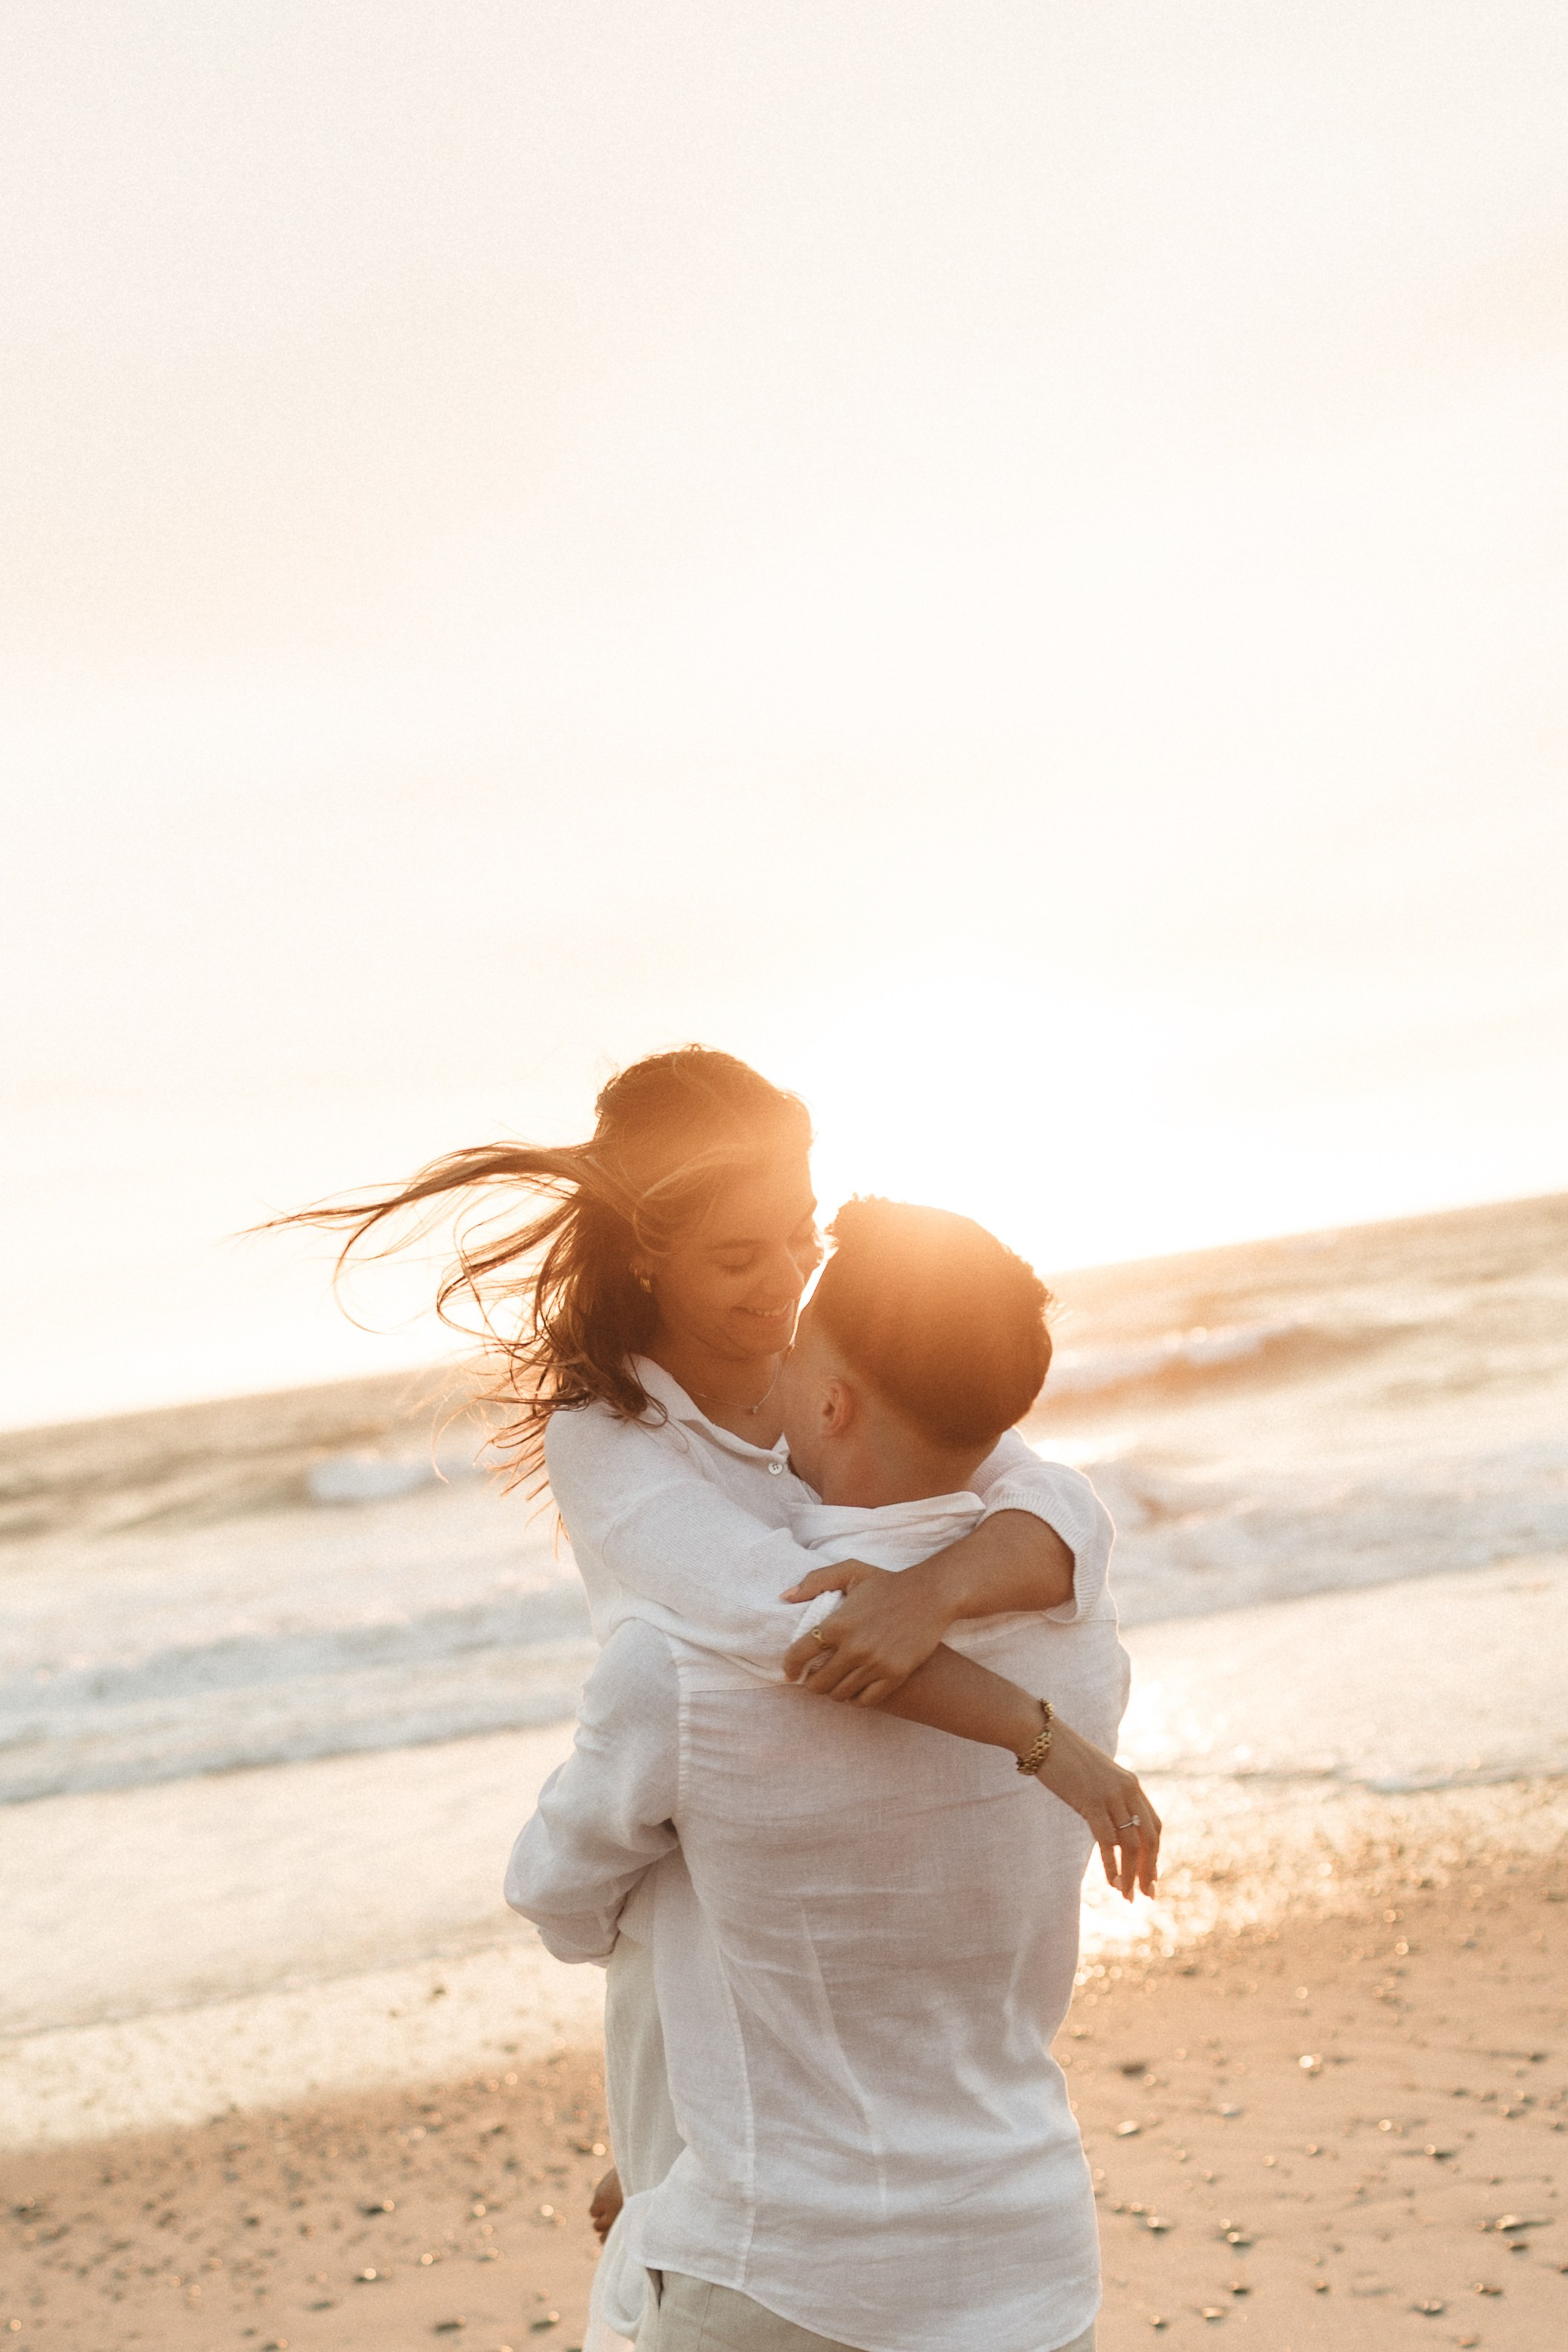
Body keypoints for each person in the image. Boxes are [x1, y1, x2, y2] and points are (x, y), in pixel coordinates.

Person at [509, 1196, 1138, 2352]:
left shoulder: (680, 1677)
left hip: (788, 2275)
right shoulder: (1075, 1622)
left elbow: (555, 1898)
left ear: (835, 1400)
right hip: (1031, 2260)